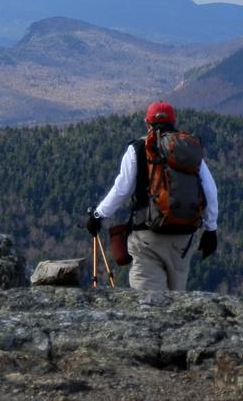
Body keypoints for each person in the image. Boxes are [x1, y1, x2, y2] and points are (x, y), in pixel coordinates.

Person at [86, 101, 218, 291]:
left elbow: (122, 189)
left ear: (147, 123)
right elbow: (210, 190)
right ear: (174, 122)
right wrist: (211, 229)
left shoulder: (138, 148)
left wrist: (98, 215)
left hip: (147, 237)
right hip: (183, 239)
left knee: (149, 304)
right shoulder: (188, 150)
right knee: (177, 302)